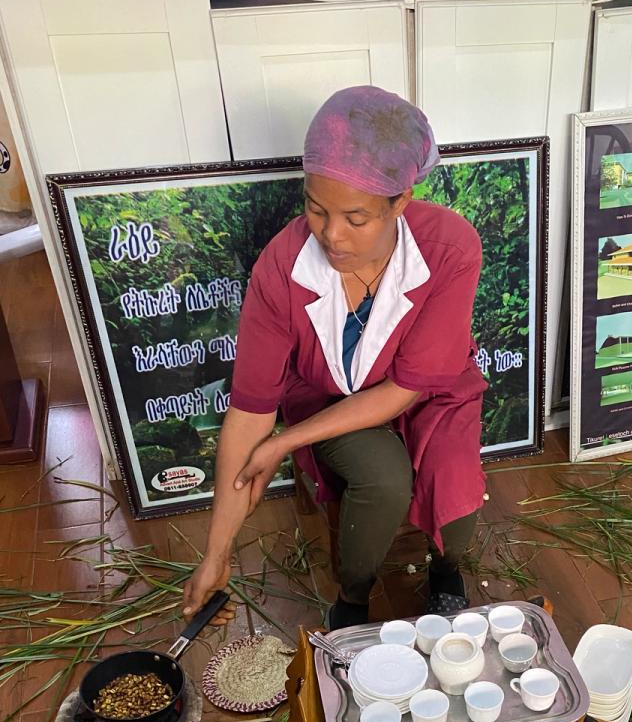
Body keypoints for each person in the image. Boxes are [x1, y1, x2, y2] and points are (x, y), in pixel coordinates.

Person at [182, 85, 486, 630]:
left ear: (401, 202)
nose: (331, 235)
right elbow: (250, 412)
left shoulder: (450, 248)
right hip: (330, 398)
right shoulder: (280, 269)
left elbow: (407, 387)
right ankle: (354, 596)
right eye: (315, 209)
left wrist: (284, 442)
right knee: (384, 478)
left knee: (453, 472)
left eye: (356, 218)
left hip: (425, 386)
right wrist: (217, 556)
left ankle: (446, 570)